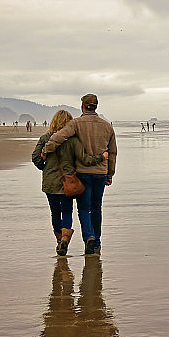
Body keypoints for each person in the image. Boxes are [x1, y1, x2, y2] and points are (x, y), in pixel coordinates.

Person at [42, 94, 117, 256]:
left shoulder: (75, 123)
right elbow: (113, 152)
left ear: (82, 106)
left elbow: (58, 137)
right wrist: (110, 173)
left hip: (83, 172)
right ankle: (95, 242)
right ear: (96, 107)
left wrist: (45, 150)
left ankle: (88, 237)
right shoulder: (107, 126)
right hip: (101, 173)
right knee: (97, 207)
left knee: (84, 208)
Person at [32, 110, 106, 255]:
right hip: (68, 182)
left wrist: (44, 166)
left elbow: (36, 158)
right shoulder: (73, 141)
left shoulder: (45, 138)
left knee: (54, 212)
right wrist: (101, 157)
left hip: (50, 182)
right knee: (67, 211)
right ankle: (66, 239)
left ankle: (60, 241)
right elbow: (84, 159)